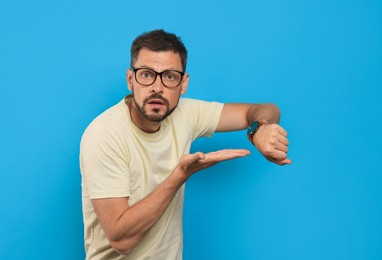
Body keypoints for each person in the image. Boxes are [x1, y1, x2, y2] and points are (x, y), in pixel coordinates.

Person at [80, 29, 291, 260]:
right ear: (130, 79)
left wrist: (258, 128)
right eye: (146, 74)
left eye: (169, 76)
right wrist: (179, 176)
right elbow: (122, 241)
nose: (157, 88)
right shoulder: (104, 134)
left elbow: (264, 109)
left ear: (183, 83)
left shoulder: (186, 113)